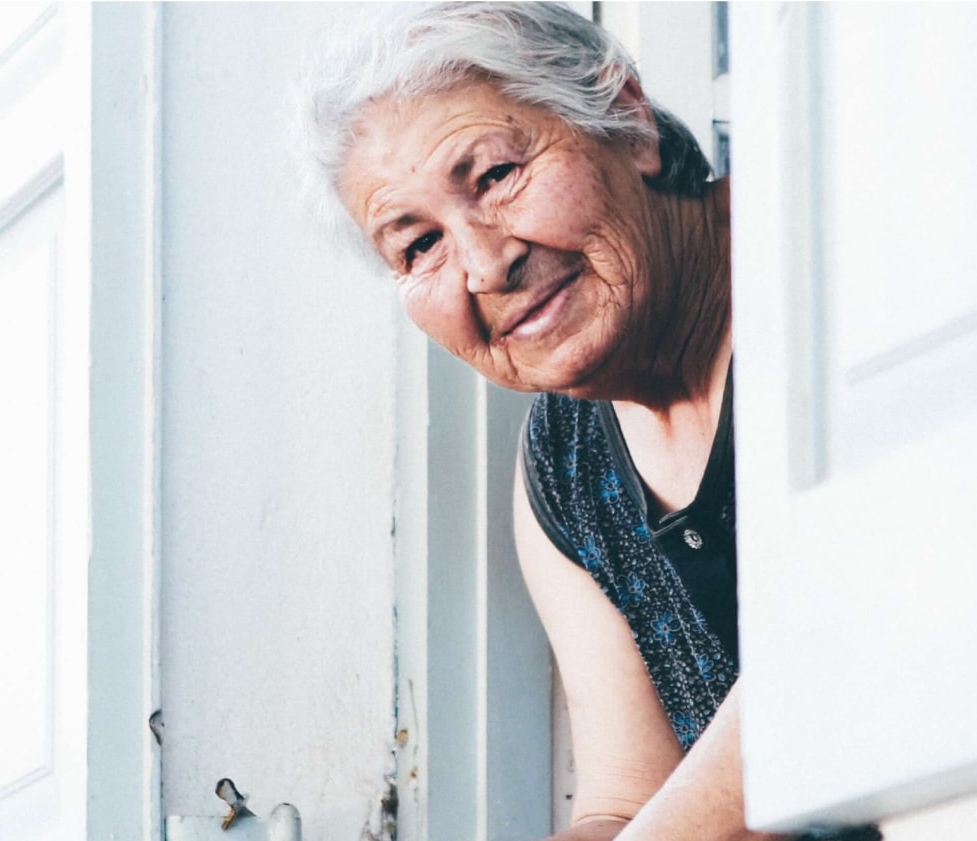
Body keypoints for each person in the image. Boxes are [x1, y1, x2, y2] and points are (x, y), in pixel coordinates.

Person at [304, 5, 876, 840]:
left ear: (628, 121)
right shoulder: (563, 470)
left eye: (496, 175)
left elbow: (848, 643)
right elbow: (622, 799)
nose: (487, 263)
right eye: (419, 243)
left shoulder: (826, 257)